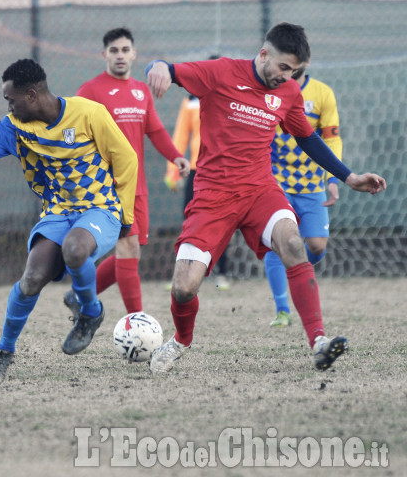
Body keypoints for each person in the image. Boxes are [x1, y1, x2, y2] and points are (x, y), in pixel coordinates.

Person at [144, 22, 386, 373]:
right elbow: (169, 68)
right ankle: (181, 340)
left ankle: (318, 341)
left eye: (296, 71)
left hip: (260, 189)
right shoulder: (222, 72)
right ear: (263, 54)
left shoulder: (288, 93)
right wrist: (159, 69)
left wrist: (348, 176)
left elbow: (308, 138)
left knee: (292, 242)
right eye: (284, 67)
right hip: (213, 194)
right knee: (183, 288)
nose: (287, 76)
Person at [0, 58, 138, 379]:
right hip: (57, 212)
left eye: (10, 99)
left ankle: (90, 313)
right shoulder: (14, 127)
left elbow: (126, 159)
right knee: (30, 281)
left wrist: (125, 214)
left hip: (100, 208)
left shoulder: (89, 113)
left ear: (31, 95)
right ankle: (4, 350)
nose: (8, 106)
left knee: (75, 249)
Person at [66, 27, 188, 316]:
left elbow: (155, 130)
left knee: (131, 252)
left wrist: (176, 157)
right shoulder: (91, 90)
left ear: (134, 54)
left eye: (124, 50)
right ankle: (137, 321)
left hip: (137, 185)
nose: (120, 55)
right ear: (104, 54)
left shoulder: (141, 90)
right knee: (128, 248)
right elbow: (71, 129)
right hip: (106, 185)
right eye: (114, 50)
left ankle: (81, 294)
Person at [264, 70, 342, 327]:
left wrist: (332, 179)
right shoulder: (268, 89)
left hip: (311, 184)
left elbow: (331, 139)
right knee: (279, 240)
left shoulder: (322, 93)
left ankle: (295, 270)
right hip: (276, 181)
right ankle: (282, 310)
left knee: (318, 245)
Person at [164, 55, 230, 290]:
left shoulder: (235, 98)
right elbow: (181, 134)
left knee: (223, 222)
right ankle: (184, 274)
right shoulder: (191, 99)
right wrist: (172, 171)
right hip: (196, 169)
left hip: (225, 170)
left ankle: (221, 273)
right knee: (190, 220)